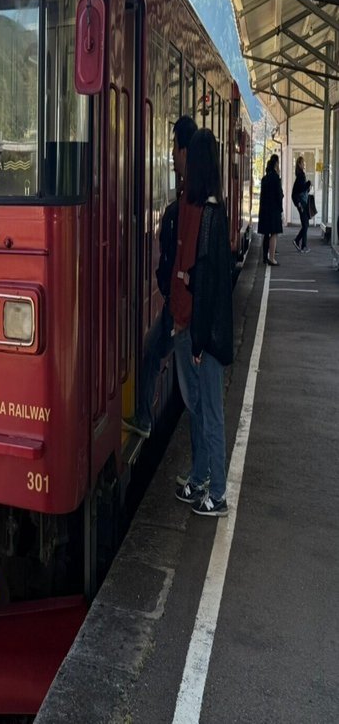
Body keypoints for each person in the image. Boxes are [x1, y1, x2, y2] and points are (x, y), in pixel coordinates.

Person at [171, 128, 234, 517]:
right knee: (208, 410)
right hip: (211, 333)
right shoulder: (216, 210)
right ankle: (204, 480)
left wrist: (196, 342)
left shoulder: (208, 216)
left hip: (208, 337)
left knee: (211, 413)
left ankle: (220, 492)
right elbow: (210, 276)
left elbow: (209, 286)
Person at [124, 115, 197, 438]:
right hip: (181, 305)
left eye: (173, 146)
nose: (170, 153)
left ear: (183, 149)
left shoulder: (187, 203)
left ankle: (144, 417)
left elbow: (184, 260)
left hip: (181, 309)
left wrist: (177, 309)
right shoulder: (193, 194)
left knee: (157, 357)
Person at [257, 154, 283, 265]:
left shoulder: (264, 179)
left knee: (266, 234)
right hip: (274, 210)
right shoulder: (276, 178)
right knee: (273, 234)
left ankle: (264, 257)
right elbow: (279, 195)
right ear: (276, 165)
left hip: (264, 210)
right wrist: (281, 210)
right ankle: (272, 258)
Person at [292, 155, 312, 253]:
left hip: (299, 202)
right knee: (305, 224)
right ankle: (301, 244)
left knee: (305, 224)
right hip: (301, 203)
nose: (304, 164)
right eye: (303, 162)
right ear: (300, 164)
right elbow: (301, 189)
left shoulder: (299, 174)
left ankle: (300, 242)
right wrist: (308, 184)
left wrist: (306, 187)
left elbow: (300, 189)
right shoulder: (301, 175)